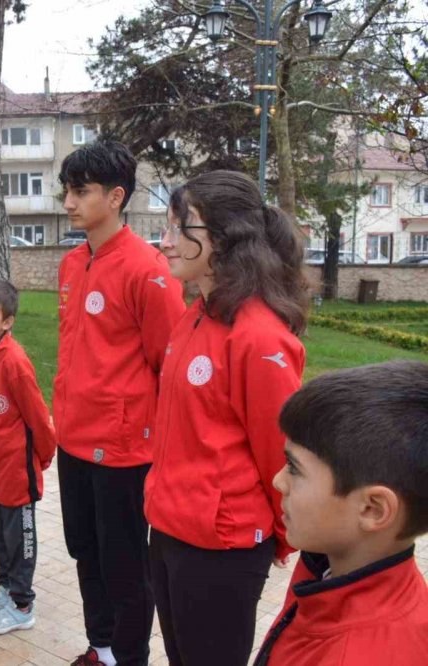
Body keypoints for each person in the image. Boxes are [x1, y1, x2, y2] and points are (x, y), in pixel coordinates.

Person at [143, 170, 310, 666]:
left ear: (223, 236)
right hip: (169, 529)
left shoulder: (259, 337)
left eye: (179, 227)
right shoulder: (193, 316)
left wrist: (281, 534)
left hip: (221, 546)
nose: (165, 241)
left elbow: (278, 454)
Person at [54, 141, 186, 666]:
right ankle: (102, 648)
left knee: (126, 566)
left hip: (125, 451)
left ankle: (130, 657)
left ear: (115, 196)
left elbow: (167, 364)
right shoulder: (71, 263)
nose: (68, 202)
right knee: (85, 551)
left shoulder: (148, 270)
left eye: (80, 191)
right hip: (73, 440)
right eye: (66, 190)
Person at [254, 361, 428, 665]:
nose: (278, 481)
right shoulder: (329, 566)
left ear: (372, 509)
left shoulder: (356, 654)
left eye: (294, 468)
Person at [0, 280, 57, 635]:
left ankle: (22, 604)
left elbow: (38, 417)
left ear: (7, 322)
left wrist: (43, 459)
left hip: (18, 474)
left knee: (20, 540)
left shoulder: (15, 363)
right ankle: (6, 589)